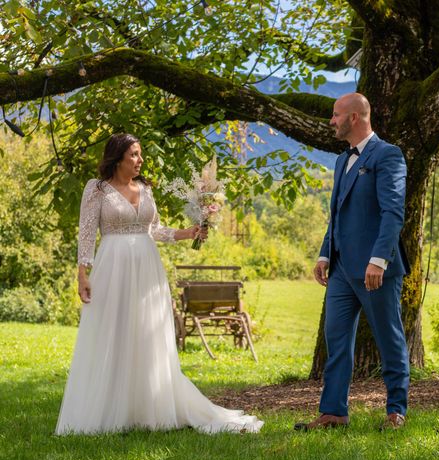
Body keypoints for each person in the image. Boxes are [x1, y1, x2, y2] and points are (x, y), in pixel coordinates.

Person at [56, 133, 263, 435]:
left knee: (146, 332)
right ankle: (109, 407)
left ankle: (149, 406)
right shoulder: (97, 190)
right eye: (134, 155)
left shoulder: (145, 188)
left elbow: (155, 230)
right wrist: (82, 274)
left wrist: (190, 232)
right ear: (117, 157)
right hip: (112, 265)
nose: (140, 160)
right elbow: (86, 234)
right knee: (114, 330)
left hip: (147, 266)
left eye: (140, 154)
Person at [295, 93, 410, 431]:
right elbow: (338, 214)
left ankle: (395, 412)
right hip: (342, 270)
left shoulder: (388, 155)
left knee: (389, 339)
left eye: (336, 114)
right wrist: (324, 253)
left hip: (376, 270)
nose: (331, 120)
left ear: (355, 118)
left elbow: (393, 213)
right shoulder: (341, 160)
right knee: (337, 341)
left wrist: (379, 260)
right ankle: (333, 413)